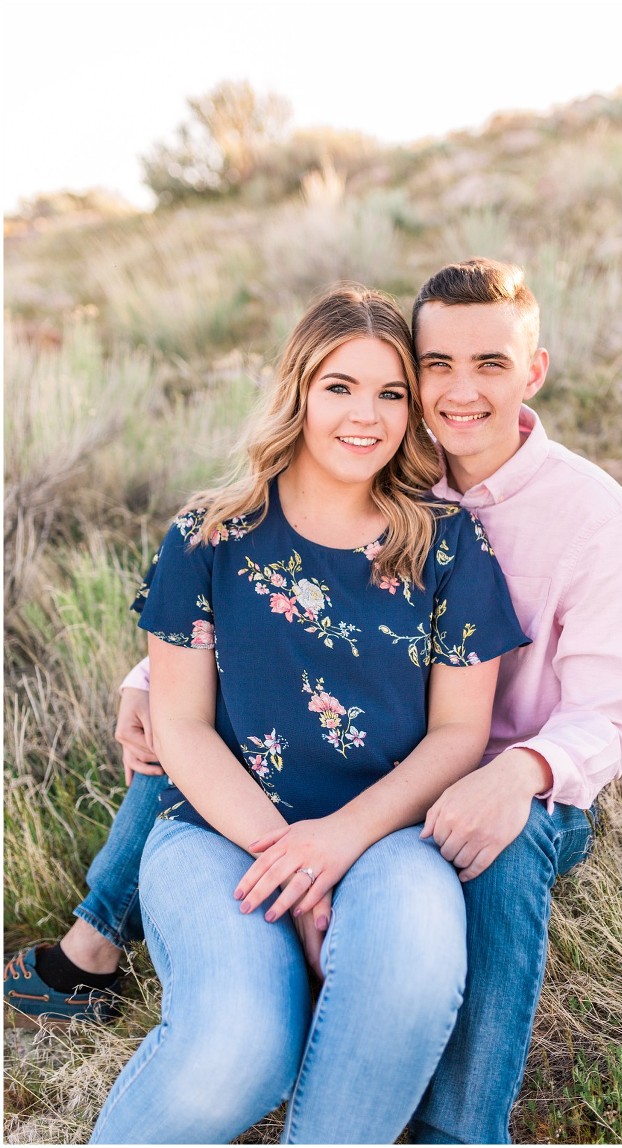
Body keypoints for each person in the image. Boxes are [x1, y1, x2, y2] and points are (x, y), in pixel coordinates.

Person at [5, 259, 622, 1145]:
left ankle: (460, 1129)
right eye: (434, 368)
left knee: (462, 900)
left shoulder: (522, 526)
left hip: (461, 792)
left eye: (488, 366)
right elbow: (233, 659)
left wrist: (505, 778)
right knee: (235, 1023)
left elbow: (575, 716)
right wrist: (151, 683)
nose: (456, 392)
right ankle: (99, 945)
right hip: (262, 808)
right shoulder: (276, 510)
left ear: (531, 373)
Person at [81, 283, 525, 1144]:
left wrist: (334, 846)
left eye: (391, 393)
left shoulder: (448, 545)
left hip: (392, 835)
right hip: (220, 833)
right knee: (240, 1046)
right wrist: (288, 865)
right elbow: (181, 725)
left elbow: (459, 734)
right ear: (298, 391)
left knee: (409, 974)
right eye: (339, 387)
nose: (366, 415)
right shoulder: (207, 537)